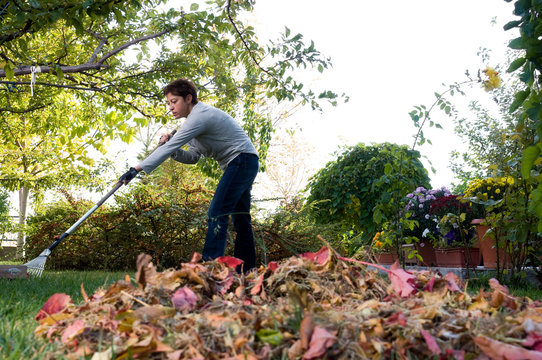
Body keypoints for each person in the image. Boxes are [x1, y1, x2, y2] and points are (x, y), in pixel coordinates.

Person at [119, 78, 259, 272]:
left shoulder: (199, 116)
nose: (170, 107)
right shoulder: (193, 123)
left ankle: (210, 270)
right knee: (241, 218)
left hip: (241, 161)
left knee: (217, 212)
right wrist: (171, 149)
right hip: (244, 162)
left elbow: (172, 147)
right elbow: (193, 157)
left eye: (174, 101)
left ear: (188, 98)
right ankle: (247, 270)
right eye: (168, 103)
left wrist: (136, 169)